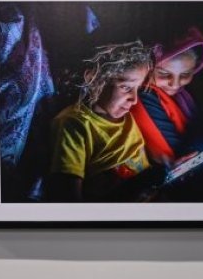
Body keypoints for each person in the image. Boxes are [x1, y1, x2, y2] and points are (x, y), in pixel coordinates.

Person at [43, 41, 156, 202]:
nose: (134, 99)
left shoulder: (127, 117)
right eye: (125, 87)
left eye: (137, 88)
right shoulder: (74, 124)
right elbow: (69, 197)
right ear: (93, 78)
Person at [130, 27, 203, 167]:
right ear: (148, 68)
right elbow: (178, 157)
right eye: (163, 73)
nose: (175, 84)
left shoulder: (186, 94)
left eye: (185, 75)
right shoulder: (145, 95)